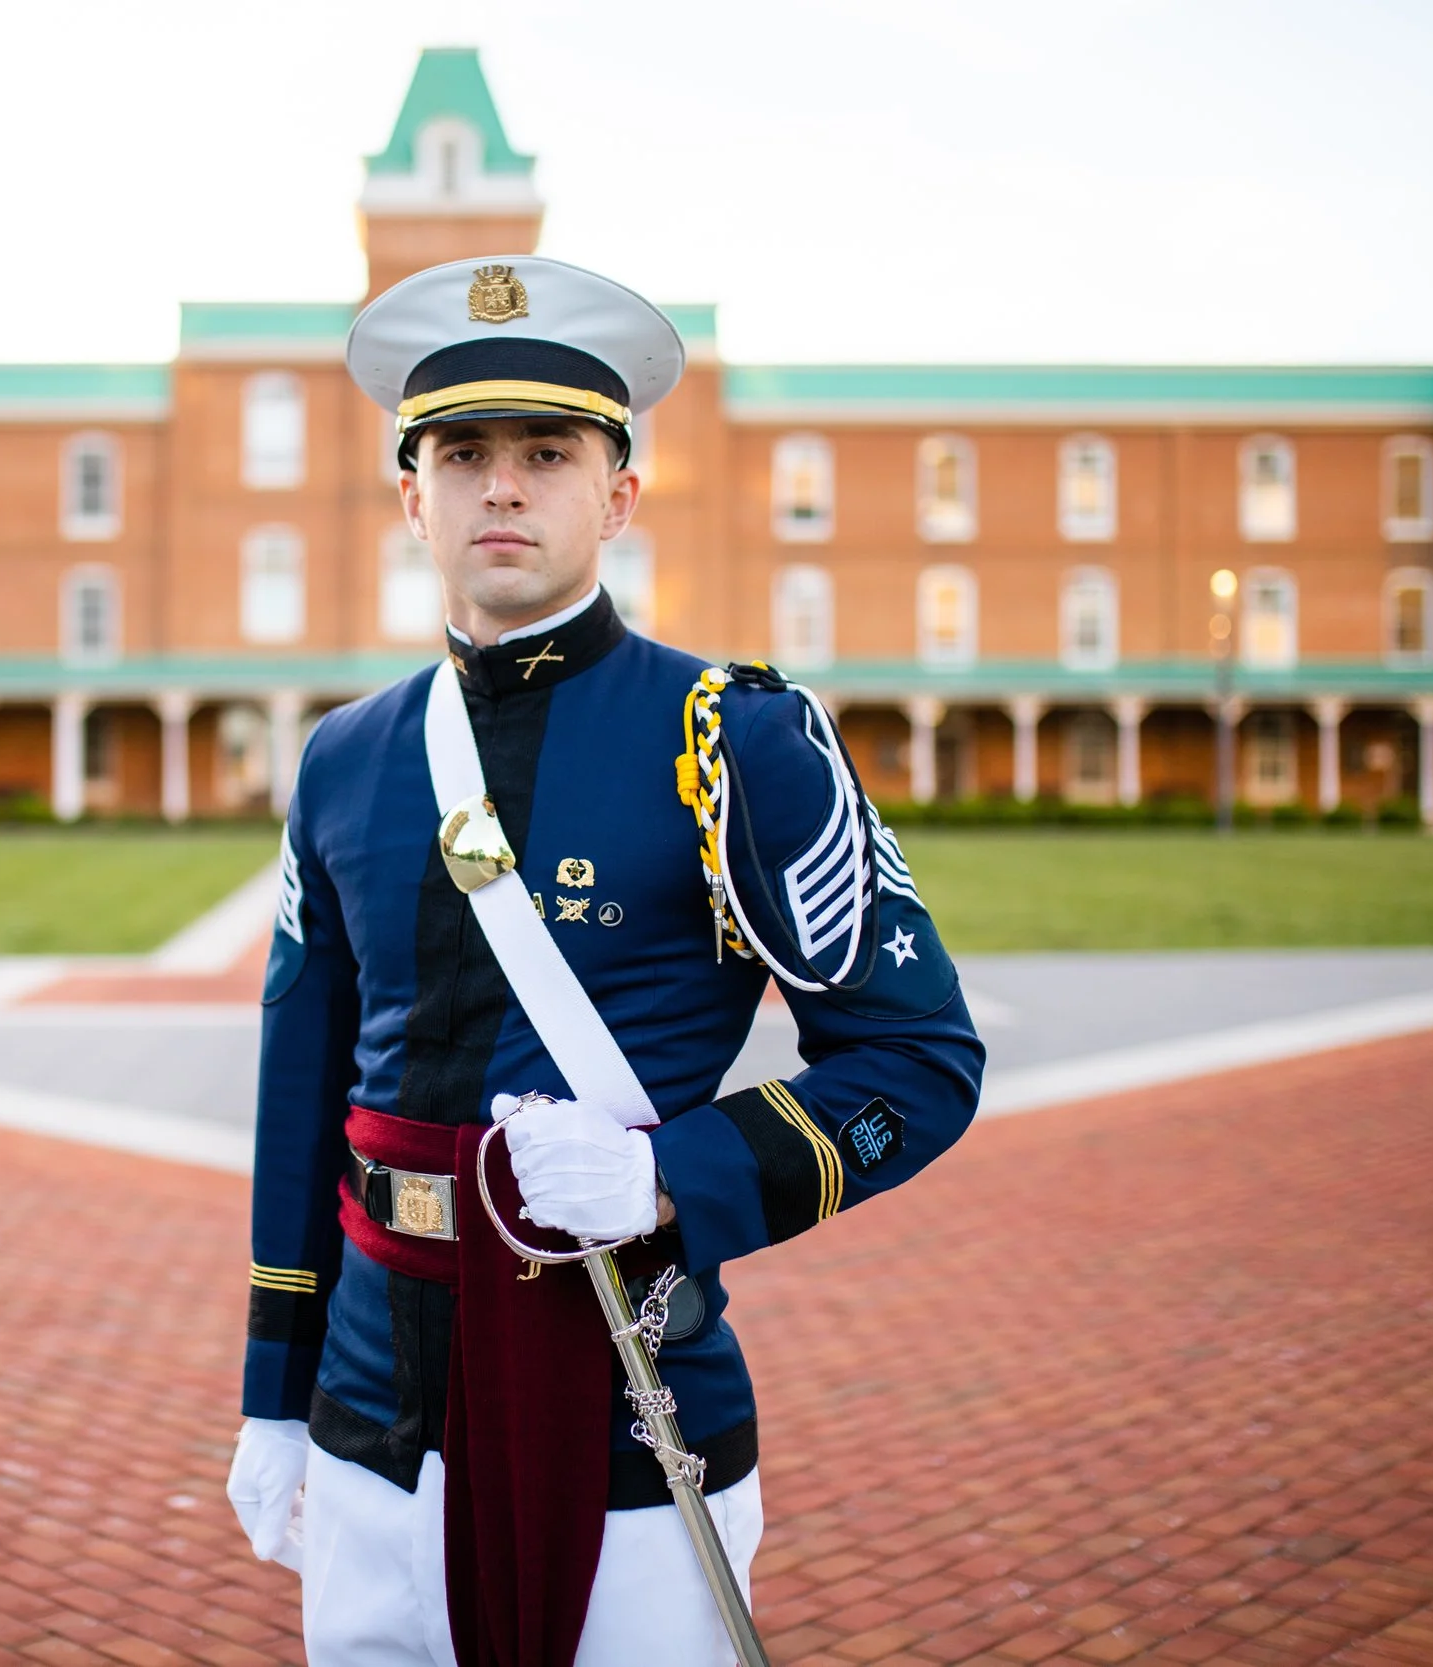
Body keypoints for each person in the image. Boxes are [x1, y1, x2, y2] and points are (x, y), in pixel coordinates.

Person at [226, 254, 985, 1666]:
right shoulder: (344, 757)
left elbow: (920, 1060)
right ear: (412, 497)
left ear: (617, 495)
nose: (500, 487)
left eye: (546, 453)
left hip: (629, 1383)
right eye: (461, 455)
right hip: (371, 1402)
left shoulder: (736, 738)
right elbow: (298, 1096)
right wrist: (276, 1388)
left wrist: (668, 1176)